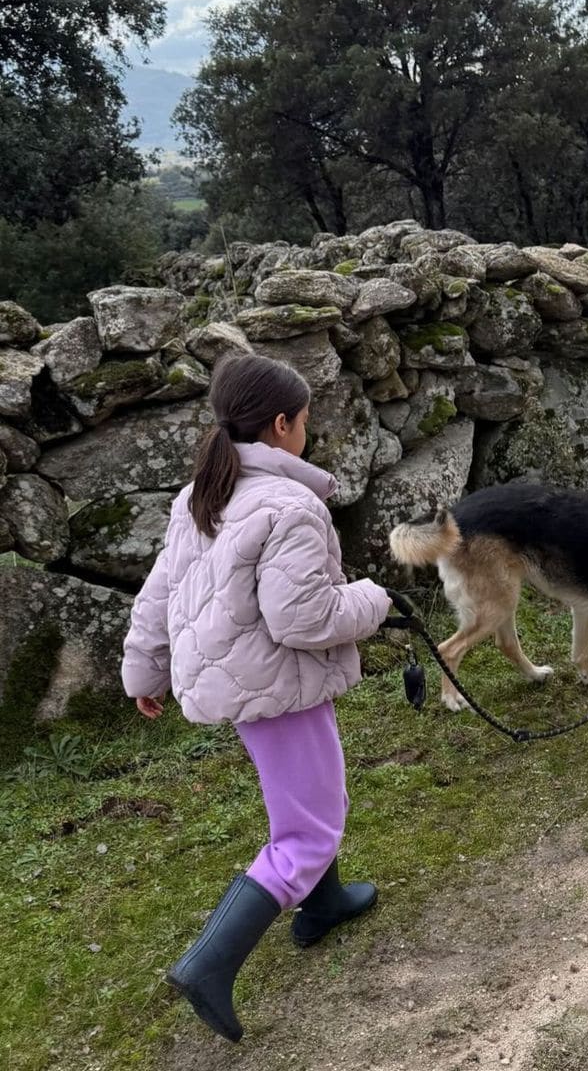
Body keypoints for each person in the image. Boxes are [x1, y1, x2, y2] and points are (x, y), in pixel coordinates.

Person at [121, 353, 392, 1043]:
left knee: (306, 795)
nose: (309, 430)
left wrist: (143, 667)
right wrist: (371, 599)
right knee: (308, 828)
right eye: (306, 421)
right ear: (282, 425)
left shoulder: (202, 491)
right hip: (277, 686)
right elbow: (303, 619)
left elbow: (162, 587)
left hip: (245, 681)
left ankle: (323, 904)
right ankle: (208, 964)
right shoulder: (290, 504)